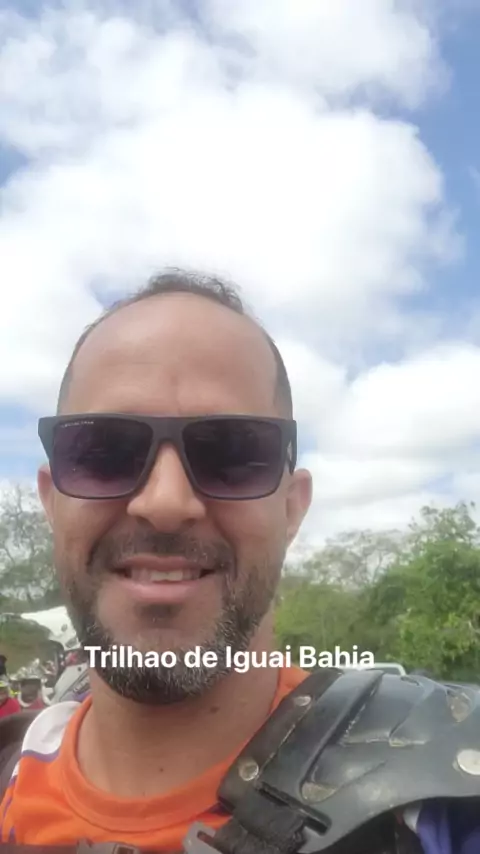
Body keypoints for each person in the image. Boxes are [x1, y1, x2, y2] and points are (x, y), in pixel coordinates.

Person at [0, 270, 478, 854]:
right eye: (104, 452)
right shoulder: (12, 766)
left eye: (232, 453)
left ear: (292, 508)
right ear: (51, 501)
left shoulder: (441, 806)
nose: (165, 503)